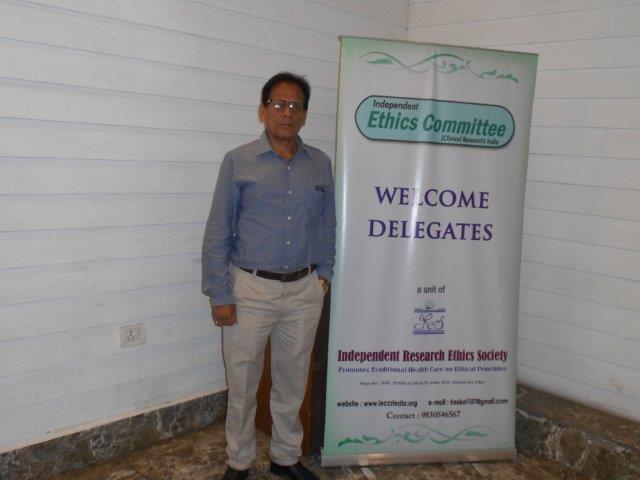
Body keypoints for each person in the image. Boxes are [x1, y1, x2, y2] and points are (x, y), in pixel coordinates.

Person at [202, 72, 336, 480]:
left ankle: (285, 457)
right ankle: (239, 462)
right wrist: (220, 294)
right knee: (243, 385)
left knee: (292, 383)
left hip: (304, 290)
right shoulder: (238, 161)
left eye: (296, 106)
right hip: (250, 289)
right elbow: (218, 230)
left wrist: (323, 277)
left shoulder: (320, 164)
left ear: (305, 114)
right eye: (278, 104)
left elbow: (327, 225)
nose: (287, 112)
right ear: (263, 111)